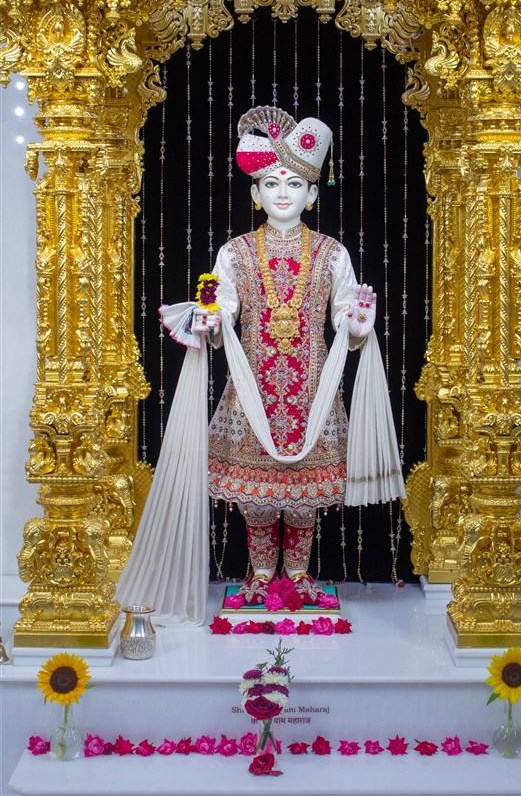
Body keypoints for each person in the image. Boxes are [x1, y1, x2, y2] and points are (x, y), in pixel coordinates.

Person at [117, 106, 405, 625]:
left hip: (311, 393)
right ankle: (259, 573)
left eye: (294, 184)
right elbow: (223, 306)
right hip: (251, 393)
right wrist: (210, 318)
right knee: (258, 496)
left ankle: (298, 573)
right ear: (255, 193)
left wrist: (359, 325)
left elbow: (345, 313)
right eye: (271, 183)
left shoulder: (333, 253)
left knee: (303, 496)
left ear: (312, 194)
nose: (282, 194)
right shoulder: (235, 253)